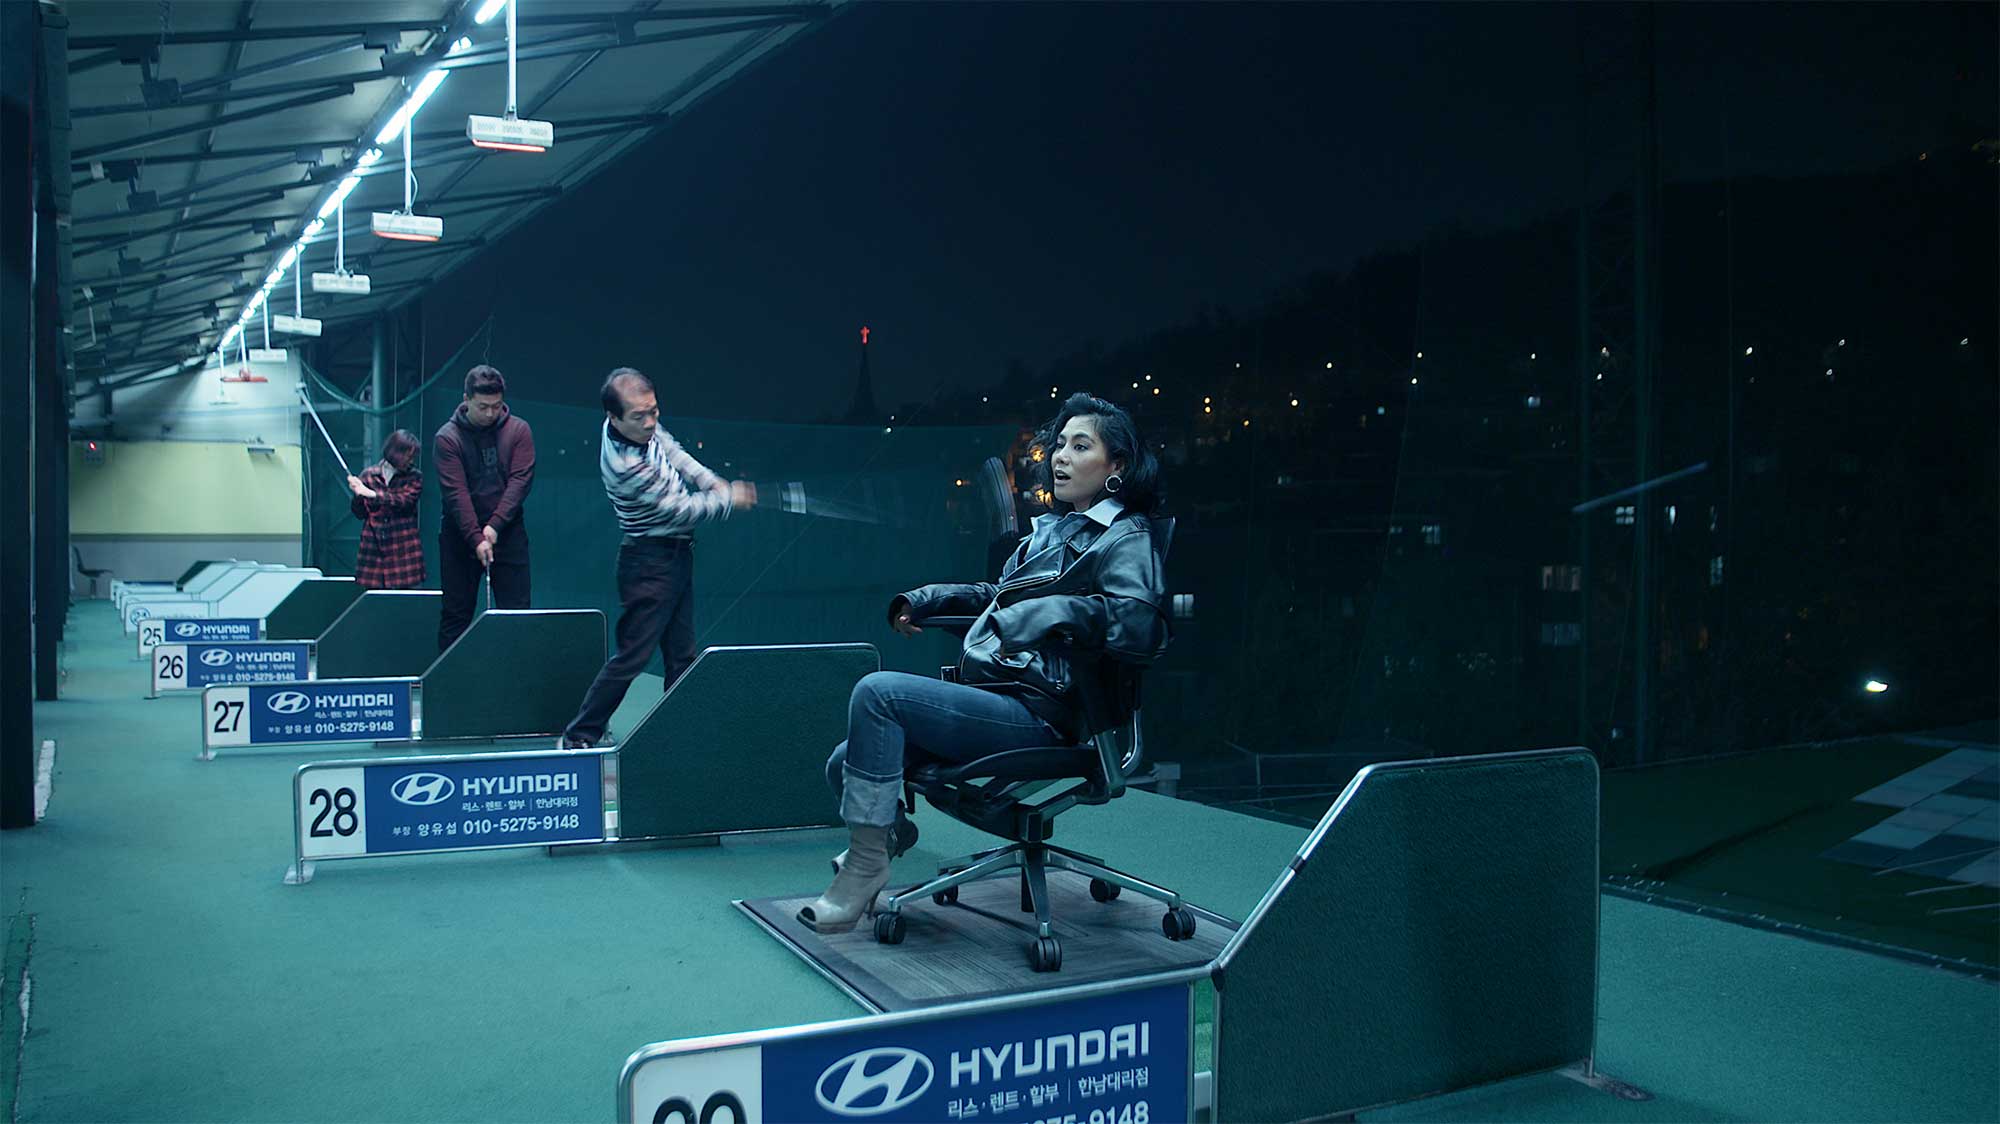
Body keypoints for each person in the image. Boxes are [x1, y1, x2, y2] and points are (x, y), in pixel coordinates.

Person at [798, 393, 1170, 933]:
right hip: (1000, 695)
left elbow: (1141, 626)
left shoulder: (1126, 537)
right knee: (845, 761)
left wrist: (1050, 613)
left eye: (1080, 446)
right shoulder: (1052, 531)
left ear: (1117, 465)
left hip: (1049, 713)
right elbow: (998, 596)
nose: (1060, 456)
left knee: (877, 694)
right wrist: (927, 600)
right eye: (1059, 444)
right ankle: (890, 833)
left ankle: (865, 866)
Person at [561, 368, 756, 749]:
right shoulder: (626, 465)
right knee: (633, 657)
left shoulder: (639, 426)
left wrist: (712, 481)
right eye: (639, 416)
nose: (650, 422)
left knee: (682, 656)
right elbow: (680, 510)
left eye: (654, 411)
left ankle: (680, 734)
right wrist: (728, 499)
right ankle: (578, 736)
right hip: (650, 564)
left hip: (675, 556)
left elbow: (673, 450)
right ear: (614, 417)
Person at [432, 364, 536, 651]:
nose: (490, 413)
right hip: (459, 535)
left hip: (508, 532)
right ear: (466, 400)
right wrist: (476, 537)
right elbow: (456, 493)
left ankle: (513, 674)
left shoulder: (518, 430)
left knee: (516, 613)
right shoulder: (447, 438)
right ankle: (451, 676)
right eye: (483, 407)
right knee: (456, 615)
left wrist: (495, 526)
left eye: (496, 406)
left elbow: (520, 481)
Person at [347, 429, 425, 590]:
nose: (411, 461)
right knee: (374, 601)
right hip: (373, 553)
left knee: (405, 602)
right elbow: (359, 513)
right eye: (408, 456)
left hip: (404, 552)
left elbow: (404, 501)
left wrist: (372, 494)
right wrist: (358, 494)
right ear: (395, 452)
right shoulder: (369, 475)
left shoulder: (414, 477)